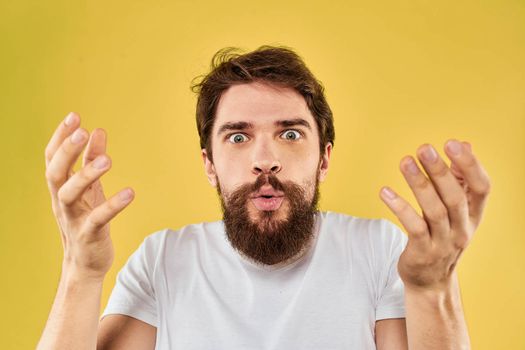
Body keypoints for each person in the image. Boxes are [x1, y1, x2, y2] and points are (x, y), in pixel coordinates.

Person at [37, 46, 491, 349]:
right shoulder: (163, 261)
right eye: (238, 137)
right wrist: (81, 270)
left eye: (290, 133)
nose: (265, 160)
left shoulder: (377, 252)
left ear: (324, 158)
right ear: (208, 163)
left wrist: (432, 287)